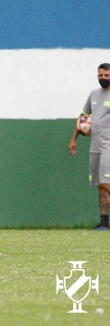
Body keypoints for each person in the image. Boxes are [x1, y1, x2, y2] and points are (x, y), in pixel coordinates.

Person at [68, 63, 110, 231]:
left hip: (108, 146)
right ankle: (105, 224)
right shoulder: (94, 94)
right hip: (95, 147)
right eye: (100, 75)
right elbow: (84, 117)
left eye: (106, 76)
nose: (103, 78)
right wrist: (74, 139)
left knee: (106, 183)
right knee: (100, 185)